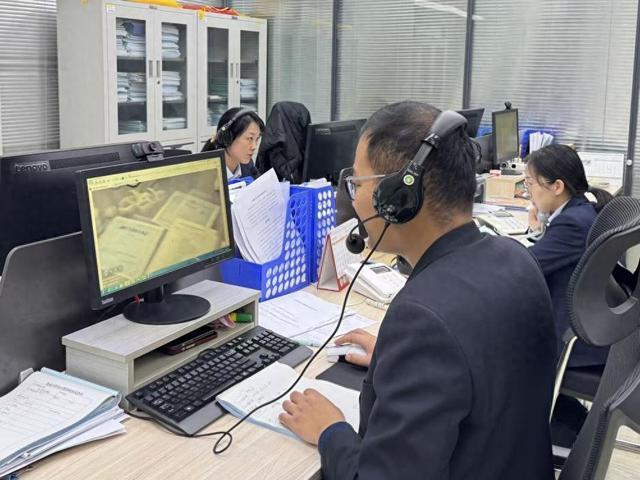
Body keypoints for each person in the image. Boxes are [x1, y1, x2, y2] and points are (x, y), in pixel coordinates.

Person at [278, 101, 557, 480]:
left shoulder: (423, 318)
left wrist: (331, 431)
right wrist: (398, 361)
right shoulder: (515, 258)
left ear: (398, 197)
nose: (354, 198)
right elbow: (475, 363)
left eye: (357, 182)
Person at [524, 144, 613, 447]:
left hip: (576, 342)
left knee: (499, 343)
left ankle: (551, 431)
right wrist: (540, 231)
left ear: (557, 186)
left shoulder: (572, 223)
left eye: (530, 183)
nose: (528, 192)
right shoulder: (582, 210)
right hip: (592, 328)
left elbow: (527, 266)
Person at [202, 107, 265, 179]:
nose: (254, 147)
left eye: (257, 139)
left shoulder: (248, 166)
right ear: (228, 137)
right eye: (250, 138)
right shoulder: (206, 173)